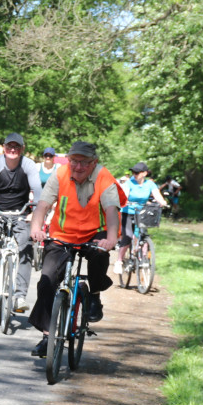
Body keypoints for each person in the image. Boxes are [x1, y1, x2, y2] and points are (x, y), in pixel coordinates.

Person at [27, 141, 124, 356]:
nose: (78, 167)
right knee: (47, 281)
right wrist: (36, 228)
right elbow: (43, 204)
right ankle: (47, 336)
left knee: (100, 255)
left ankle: (95, 295)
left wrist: (110, 239)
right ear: (68, 160)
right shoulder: (60, 174)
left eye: (84, 162)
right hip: (63, 234)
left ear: (94, 162)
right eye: (74, 161)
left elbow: (111, 209)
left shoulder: (103, 176)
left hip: (94, 233)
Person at [0, 132, 42, 313]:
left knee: (26, 247)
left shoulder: (28, 165)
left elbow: (37, 189)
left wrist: (36, 212)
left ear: (22, 149)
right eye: (9, 146)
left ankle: (20, 296)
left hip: (21, 213)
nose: (12, 150)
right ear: (4, 148)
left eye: (17, 147)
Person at [115, 162, 167, 274]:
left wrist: (162, 202)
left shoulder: (150, 184)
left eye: (137, 172)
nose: (134, 174)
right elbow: (125, 193)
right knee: (128, 236)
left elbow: (157, 195)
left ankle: (143, 258)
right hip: (128, 212)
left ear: (145, 173)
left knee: (143, 234)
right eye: (133, 172)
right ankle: (119, 261)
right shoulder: (129, 183)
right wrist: (125, 201)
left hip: (142, 212)